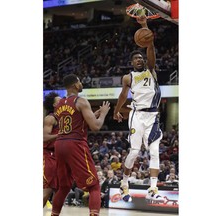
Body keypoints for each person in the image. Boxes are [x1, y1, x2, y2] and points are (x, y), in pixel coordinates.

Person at [113, 15, 164, 202]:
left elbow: (150, 47)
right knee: (134, 152)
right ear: (131, 63)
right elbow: (122, 95)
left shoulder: (151, 70)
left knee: (154, 151)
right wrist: (116, 110)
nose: (139, 60)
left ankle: (153, 187)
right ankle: (124, 183)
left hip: (153, 117)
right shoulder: (128, 78)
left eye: (141, 57)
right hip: (136, 115)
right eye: (136, 59)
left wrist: (144, 25)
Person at [51, 74, 110, 216]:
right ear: (75, 85)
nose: (81, 83)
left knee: (64, 187)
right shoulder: (81, 101)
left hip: (59, 144)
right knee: (94, 186)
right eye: (79, 81)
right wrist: (103, 114)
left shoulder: (59, 104)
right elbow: (95, 126)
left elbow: (75, 121)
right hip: (75, 144)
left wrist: (91, 114)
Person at [43, 92, 62, 207]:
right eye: (59, 100)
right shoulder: (50, 118)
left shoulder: (64, 118)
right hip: (49, 156)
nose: (63, 101)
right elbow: (44, 137)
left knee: (60, 191)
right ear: (54, 105)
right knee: (46, 191)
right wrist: (60, 134)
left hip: (60, 157)